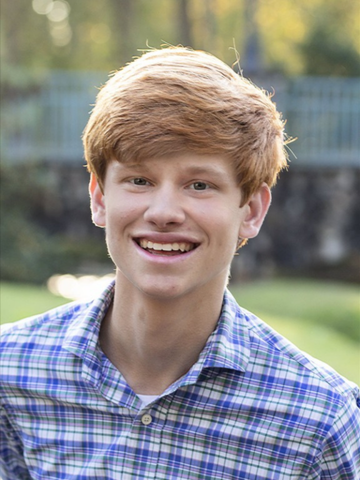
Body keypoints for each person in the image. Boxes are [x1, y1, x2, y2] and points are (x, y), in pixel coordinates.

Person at [0, 47, 359, 480]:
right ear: (98, 197)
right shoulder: (11, 374)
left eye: (199, 184)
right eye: (139, 180)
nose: (164, 211)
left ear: (251, 210)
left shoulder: (319, 419)